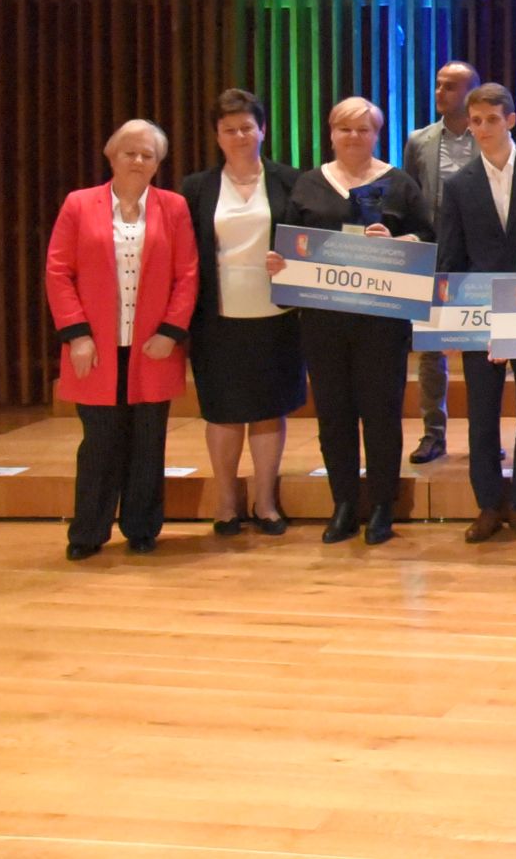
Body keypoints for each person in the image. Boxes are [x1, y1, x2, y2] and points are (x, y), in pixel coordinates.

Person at [266, 97, 434, 546]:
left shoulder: (399, 183)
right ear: (332, 133)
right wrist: (278, 263)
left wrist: (402, 240)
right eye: (345, 128)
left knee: (381, 413)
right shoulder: (308, 183)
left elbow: (429, 237)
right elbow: (288, 244)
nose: (354, 136)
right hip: (323, 322)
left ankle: (381, 507)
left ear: (377, 134)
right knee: (334, 413)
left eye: (364, 129)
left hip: (382, 322)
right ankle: (343, 503)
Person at [45, 120, 197, 560]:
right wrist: (77, 335)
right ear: (111, 156)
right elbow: (58, 272)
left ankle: (142, 528)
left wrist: (170, 331)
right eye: (130, 152)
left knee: (148, 443)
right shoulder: (79, 204)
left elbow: (188, 275)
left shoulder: (174, 207)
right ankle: (88, 532)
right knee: (100, 443)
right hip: (95, 348)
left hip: (154, 347)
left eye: (148, 155)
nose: (138, 160)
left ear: (158, 164)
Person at [434, 82, 516, 543]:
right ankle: (488, 504)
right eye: (476, 121)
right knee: (482, 413)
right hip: (479, 313)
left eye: (492, 119)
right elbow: (450, 257)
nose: (484, 128)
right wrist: (448, 321)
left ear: (511, 120)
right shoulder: (458, 184)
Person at [181, 90, 306, 536]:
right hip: (216, 318)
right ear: (217, 135)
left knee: (270, 409)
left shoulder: (291, 181)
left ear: (262, 130)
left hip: (277, 314)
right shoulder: (195, 188)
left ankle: (266, 501)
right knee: (224, 411)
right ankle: (226, 502)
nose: (238, 136)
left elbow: (309, 243)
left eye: (246, 127)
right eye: (229, 129)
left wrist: (293, 263)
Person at [401, 59, 480, 465]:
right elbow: (410, 196)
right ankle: (433, 433)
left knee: (481, 350)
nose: (439, 92)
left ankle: (483, 436)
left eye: (450, 86)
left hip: (478, 257)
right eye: (438, 84)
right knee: (431, 352)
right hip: (433, 253)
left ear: (470, 93)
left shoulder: (491, 136)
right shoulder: (419, 140)